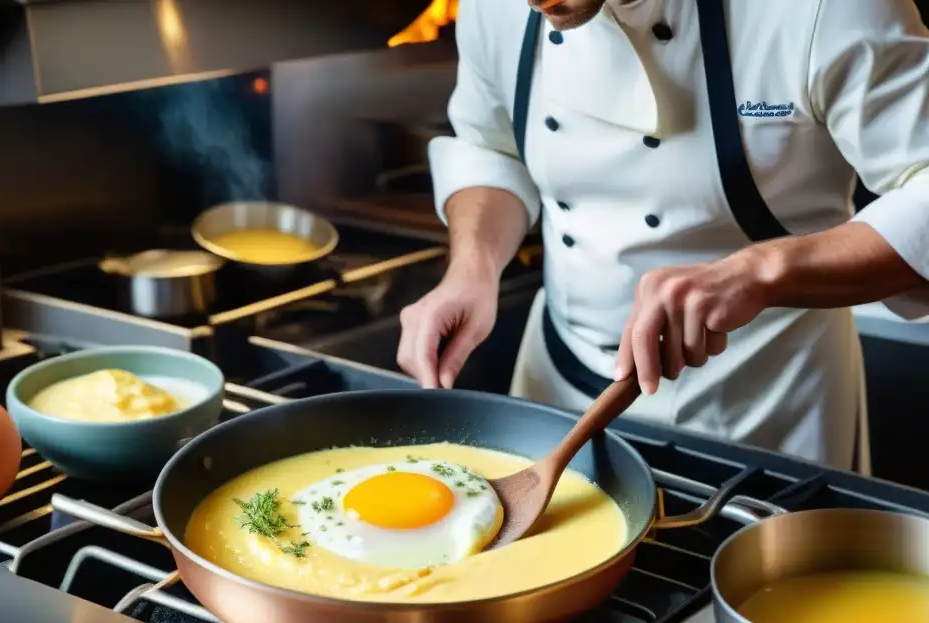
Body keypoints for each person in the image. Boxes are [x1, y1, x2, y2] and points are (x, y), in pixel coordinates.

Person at [396, 0, 929, 472]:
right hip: (554, 391)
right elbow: (491, 147)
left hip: (768, 401)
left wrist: (763, 271)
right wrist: (474, 267)